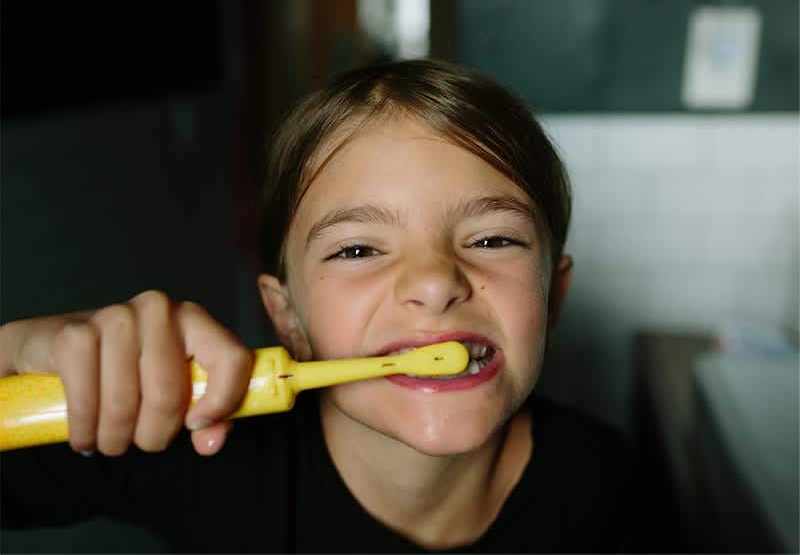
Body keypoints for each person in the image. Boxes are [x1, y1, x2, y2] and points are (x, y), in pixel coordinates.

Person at [0, 59, 626, 553]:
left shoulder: (604, 482)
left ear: (552, 297)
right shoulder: (202, 451)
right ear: (287, 317)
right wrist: (15, 349)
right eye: (357, 249)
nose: (435, 282)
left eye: (492, 239)